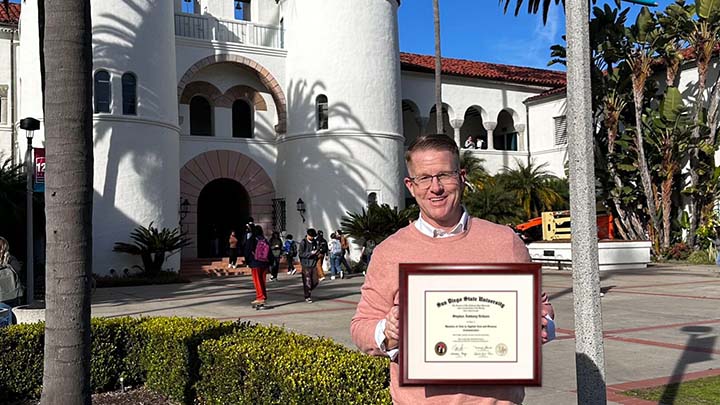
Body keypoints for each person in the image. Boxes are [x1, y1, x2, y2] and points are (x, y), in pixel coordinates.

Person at [350, 134, 555, 404]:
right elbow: (360, 328)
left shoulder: (505, 241)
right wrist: (386, 333)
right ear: (410, 186)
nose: (435, 188)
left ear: (461, 176)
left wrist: (542, 326)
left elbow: (541, 308)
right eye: (424, 178)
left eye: (444, 175)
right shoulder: (389, 252)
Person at [244, 225, 272, 308]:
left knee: (257, 281)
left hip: (255, 263)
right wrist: (269, 263)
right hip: (264, 263)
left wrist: (248, 262)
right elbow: (270, 252)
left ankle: (260, 298)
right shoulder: (264, 240)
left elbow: (247, 251)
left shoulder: (252, 239)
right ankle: (263, 296)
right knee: (262, 281)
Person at [298, 228, 319, 303]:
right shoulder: (303, 242)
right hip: (306, 265)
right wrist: (310, 254)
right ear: (307, 235)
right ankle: (307, 296)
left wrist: (317, 254)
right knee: (307, 282)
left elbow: (317, 250)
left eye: (313, 236)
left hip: (313, 264)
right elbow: (300, 254)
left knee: (315, 281)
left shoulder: (315, 242)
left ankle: (309, 289)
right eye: (311, 236)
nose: (312, 238)